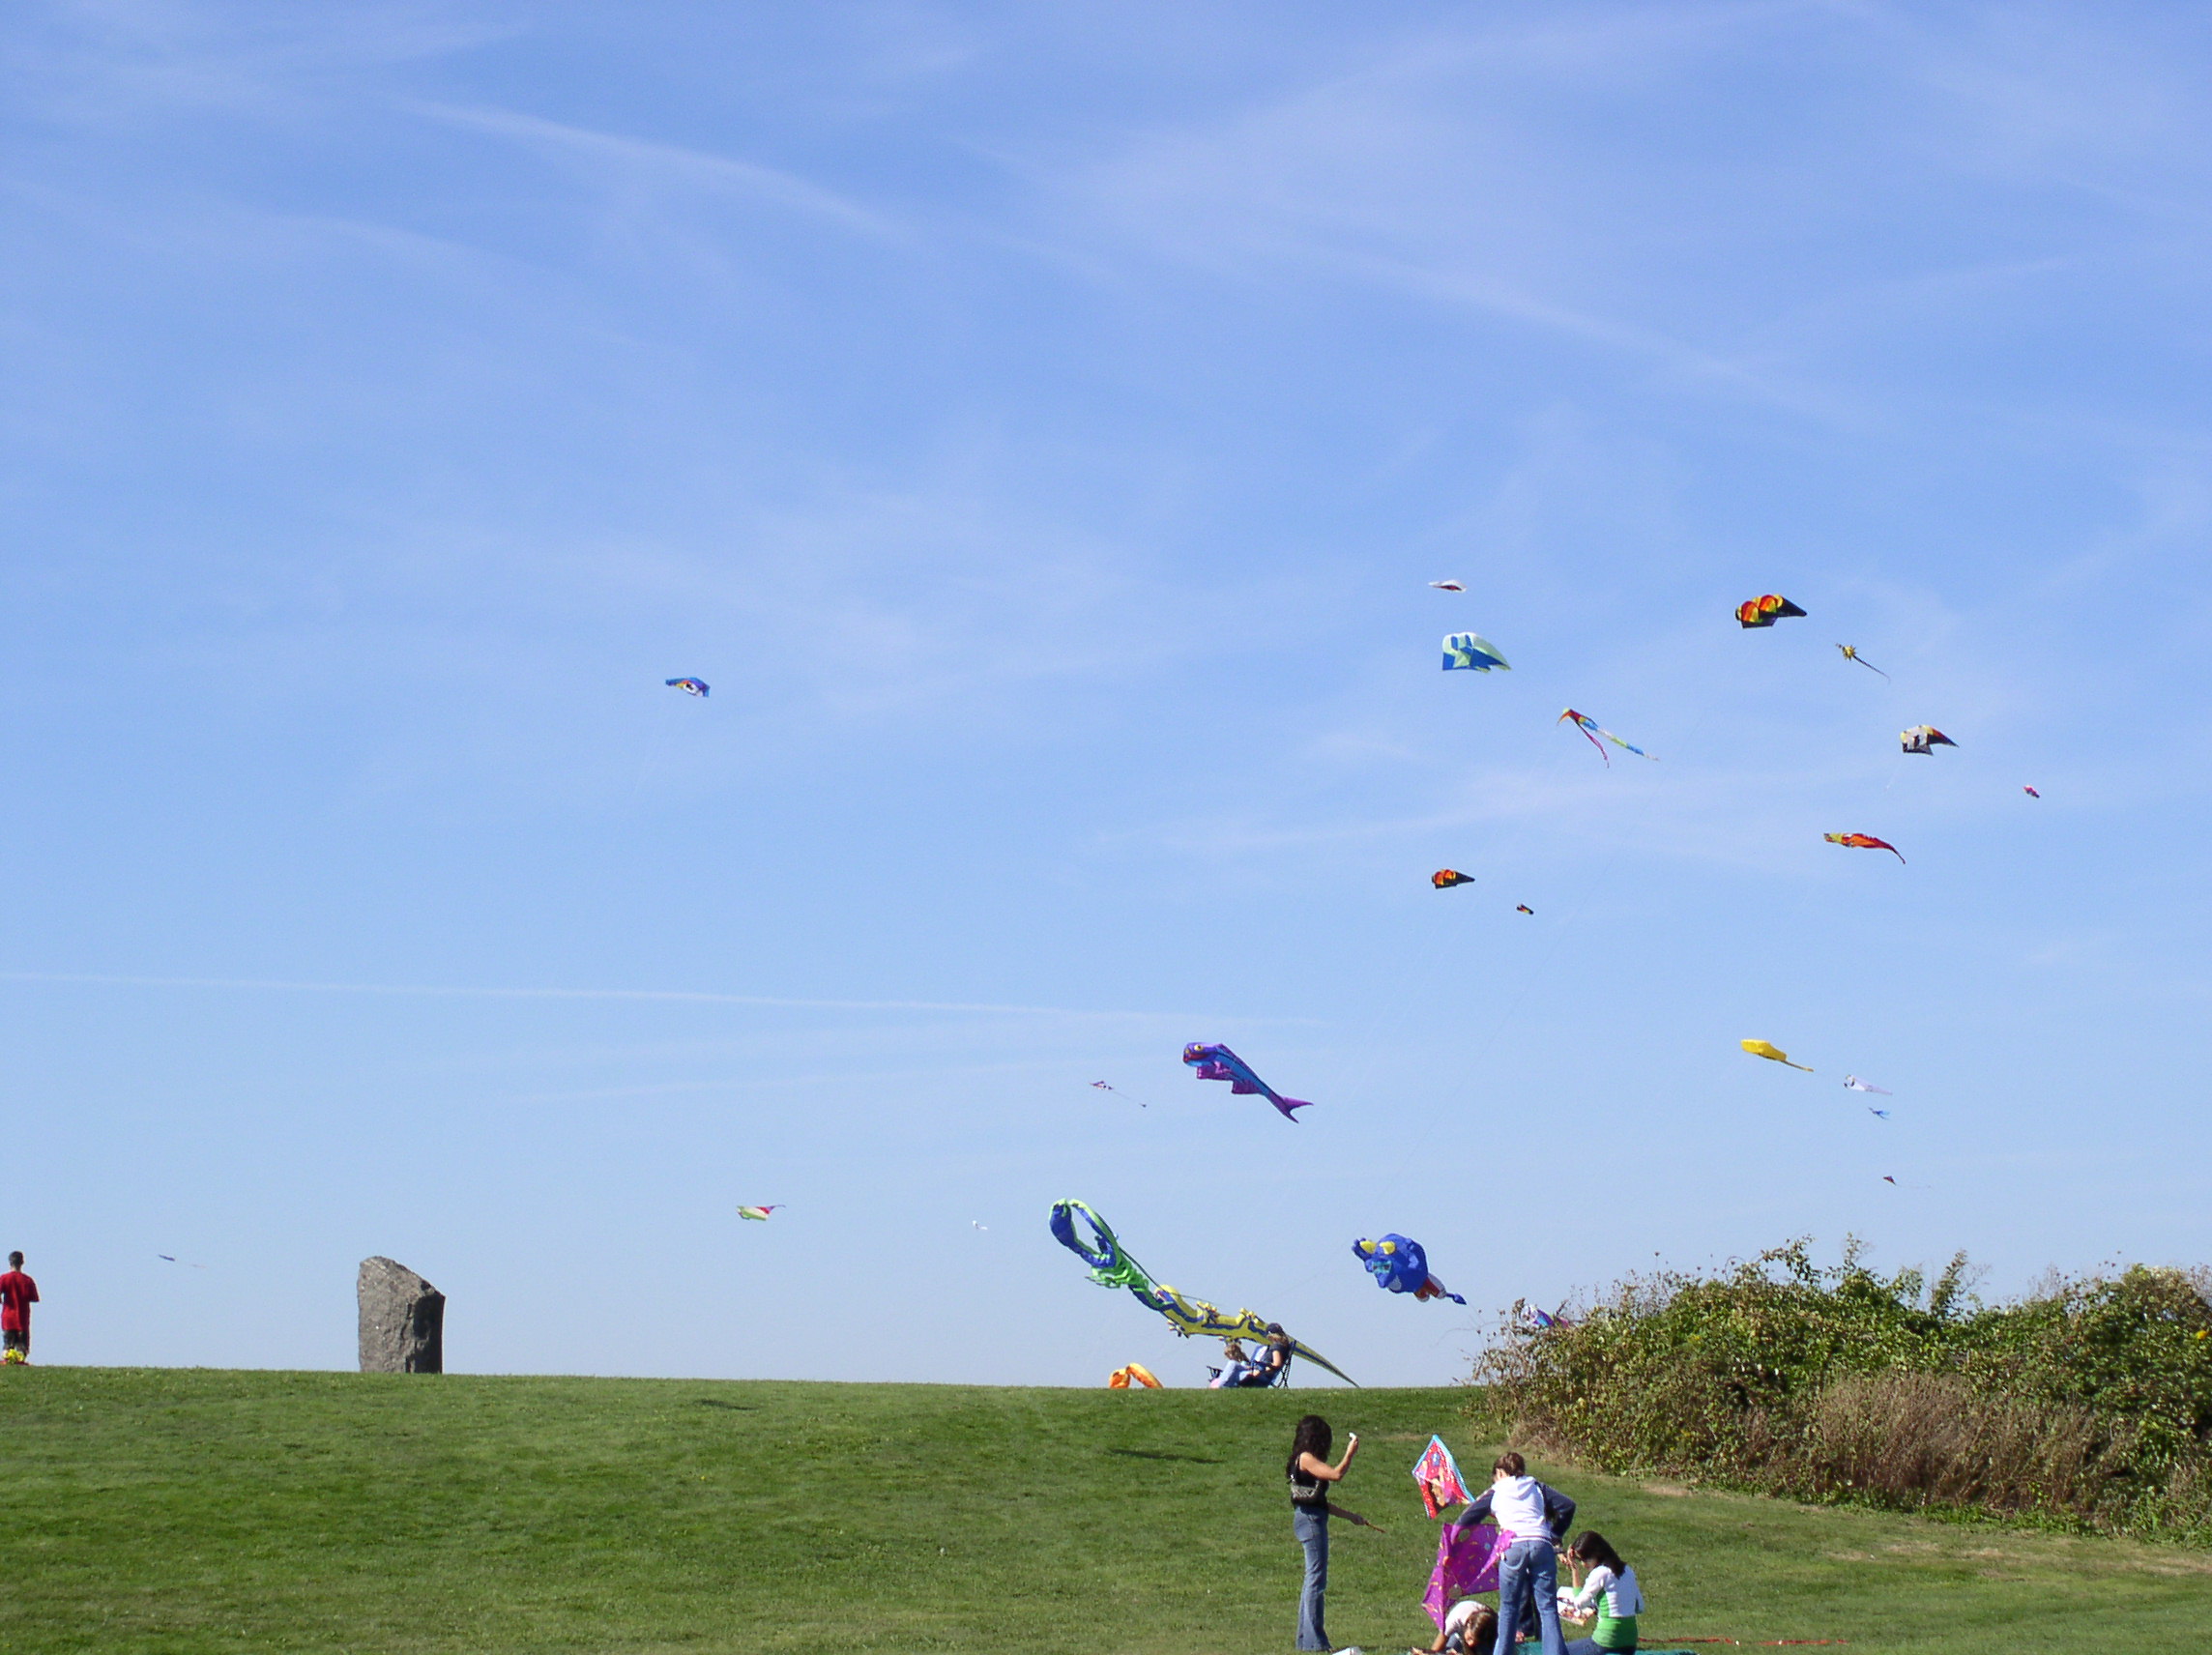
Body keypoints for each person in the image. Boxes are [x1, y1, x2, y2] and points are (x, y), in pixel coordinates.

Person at [1450, 1452, 1575, 1655]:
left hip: (1513, 1546)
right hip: (1541, 1544)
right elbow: (1568, 1506)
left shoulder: (1496, 1490)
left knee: (1509, 1608)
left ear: (1499, 1472)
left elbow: (1465, 1520)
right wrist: (1554, 1533)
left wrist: (1453, 1545)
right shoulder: (1537, 1486)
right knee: (1547, 1608)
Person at [1286, 1413, 1380, 1651]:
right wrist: (1351, 1452)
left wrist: (1351, 1517)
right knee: (1316, 1580)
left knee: (1312, 1579)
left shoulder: (1302, 1461)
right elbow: (1336, 1474)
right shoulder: (1305, 1458)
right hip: (1310, 1522)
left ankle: (1305, 1640)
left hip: (1310, 1517)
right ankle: (1315, 1641)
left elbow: (1317, 1500)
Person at [1557, 1531, 1644, 1655]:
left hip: (1607, 1639)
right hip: (1630, 1641)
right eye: (1579, 1559)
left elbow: (1579, 1603)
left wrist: (1574, 1569)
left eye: (1585, 1559)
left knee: (1558, 1651)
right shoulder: (1627, 1570)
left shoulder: (1600, 1573)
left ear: (1596, 1554)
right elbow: (1639, 1607)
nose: (1583, 1564)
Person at [0, 1252, 39, 1365]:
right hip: (22, 1318)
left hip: (8, 1317)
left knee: (8, 1343)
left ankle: (7, 1360)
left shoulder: (4, 1278)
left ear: (10, 1263)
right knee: (22, 1345)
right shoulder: (28, 1280)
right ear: (22, 1262)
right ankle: (20, 1361)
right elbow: (33, 1297)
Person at [1424, 1596, 1498, 1655]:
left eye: (1476, 1641)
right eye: (1471, 1638)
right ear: (1469, 1624)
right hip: (1458, 1631)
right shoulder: (1454, 1619)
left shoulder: (1493, 1623)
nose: (1471, 1643)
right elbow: (1436, 1649)